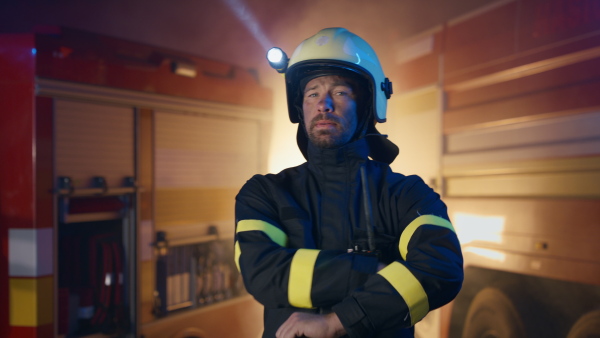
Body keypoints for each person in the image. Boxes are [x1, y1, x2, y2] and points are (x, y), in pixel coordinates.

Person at [234, 27, 463, 338]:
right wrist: (374, 272)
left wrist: (335, 321)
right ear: (300, 108)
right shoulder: (266, 192)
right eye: (312, 93)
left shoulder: (407, 194)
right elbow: (261, 272)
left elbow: (441, 271)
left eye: (340, 92)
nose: (323, 104)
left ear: (367, 105)